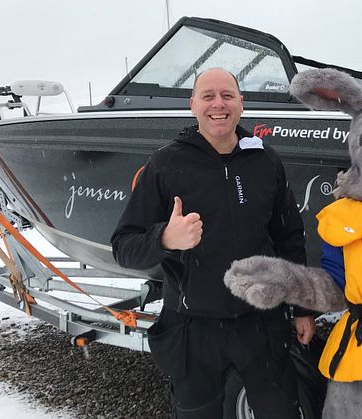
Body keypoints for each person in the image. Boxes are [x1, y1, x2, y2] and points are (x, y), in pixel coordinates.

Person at [111, 68, 315, 419]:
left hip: (261, 324)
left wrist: (303, 307)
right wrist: (165, 238)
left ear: (241, 103)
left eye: (227, 95)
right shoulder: (166, 164)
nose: (218, 104)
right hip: (193, 329)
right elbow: (123, 245)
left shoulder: (265, 160)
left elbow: (289, 237)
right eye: (207, 96)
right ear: (193, 105)